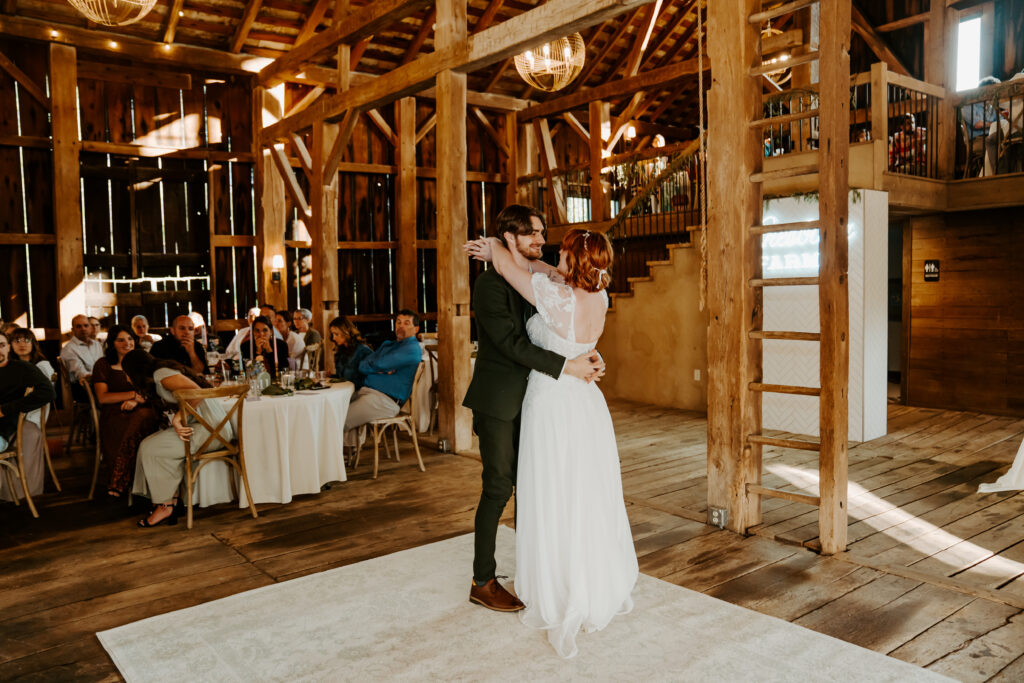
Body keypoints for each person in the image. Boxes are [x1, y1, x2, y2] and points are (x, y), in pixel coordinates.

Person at [465, 215, 634, 659]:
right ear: (511, 236)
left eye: (547, 236)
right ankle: (483, 580)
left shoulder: (553, 286)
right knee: (501, 486)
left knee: (552, 489)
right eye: (533, 233)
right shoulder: (496, 284)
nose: (543, 241)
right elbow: (511, 344)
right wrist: (574, 361)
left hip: (548, 400)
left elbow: (556, 320)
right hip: (509, 399)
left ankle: (551, 575)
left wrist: (581, 357)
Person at [122, 350, 224, 528]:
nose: (126, 377)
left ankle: (165, 506)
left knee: (151, 448)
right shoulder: (159, 375)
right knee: (150, 444)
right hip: (203, 425)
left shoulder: (161, 374)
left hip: (210, 429)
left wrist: (178, 418)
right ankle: (171, 501)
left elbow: (196, 393)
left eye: (126, 373)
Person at [91, 325, 161, 498]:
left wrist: (137, 400)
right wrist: (132, 395)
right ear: (112, 343)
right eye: (120, 340)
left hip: (144, 407)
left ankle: (121, 476)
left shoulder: (143, 361)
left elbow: (153, 390)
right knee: (140, 419)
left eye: (130, 339)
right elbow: (102, 398)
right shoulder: (103, 364)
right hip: (115, 412)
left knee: (145, 416)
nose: (127, 343)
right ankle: (133, 477)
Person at [342, 310, 422, 440]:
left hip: (385, 401)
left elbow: (379, 364)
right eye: (398, 322)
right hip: (368, 393)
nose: (401, 326)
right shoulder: (388, 345)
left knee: (339, 419)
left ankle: (331, 452)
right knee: (336, 406)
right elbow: (362, 365)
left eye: (406, 323)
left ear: (416, 329)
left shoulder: (412, 349)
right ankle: (346, 450)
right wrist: (378, 368)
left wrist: (377, 366)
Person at [0, 330, 56, 501]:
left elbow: (48, 392)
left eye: (1, 345)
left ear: (8, 347)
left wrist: (5, 409)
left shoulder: (23, 368)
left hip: (5, 430)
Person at [9, 328, 56, 430]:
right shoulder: (12, 366)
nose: (22, 344)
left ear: (33, 343)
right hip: (13, 412)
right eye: (17, 340)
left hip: (32, 414)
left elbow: (45, 394)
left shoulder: (42, 365)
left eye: (27, 340)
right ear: (10, 345)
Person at [60, 314, 104, 399]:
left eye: (86, 325)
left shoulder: (97, 344)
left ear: (90, 327)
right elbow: (81, 374)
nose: (83, 329)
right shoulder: (68, 349)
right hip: (82, 388)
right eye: (78, 326)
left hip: (99, 383)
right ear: (73, 330)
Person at [328, 315, 372, 388]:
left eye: (336, 334)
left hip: (360, 392)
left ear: (346, 332)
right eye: (332, 334)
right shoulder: (342, 351)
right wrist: (330, 376)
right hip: (345, 390)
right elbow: (343, 378)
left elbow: (370, 378)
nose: (333, 338)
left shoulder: (363, 351)